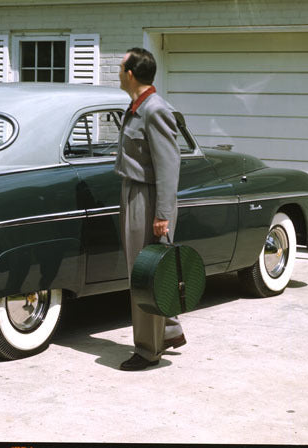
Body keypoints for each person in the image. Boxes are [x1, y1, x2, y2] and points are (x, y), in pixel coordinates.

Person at [114, 46, 186, 371]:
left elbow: (169, 166)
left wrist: (162, 215)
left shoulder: (154, 110)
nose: (117, 72)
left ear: (130, 74)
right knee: (154, 272)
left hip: (148, 198)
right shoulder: (137, 106)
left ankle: (147, 351)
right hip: (134, 192)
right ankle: (168, 331)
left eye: (120, 67)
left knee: (143, 275)